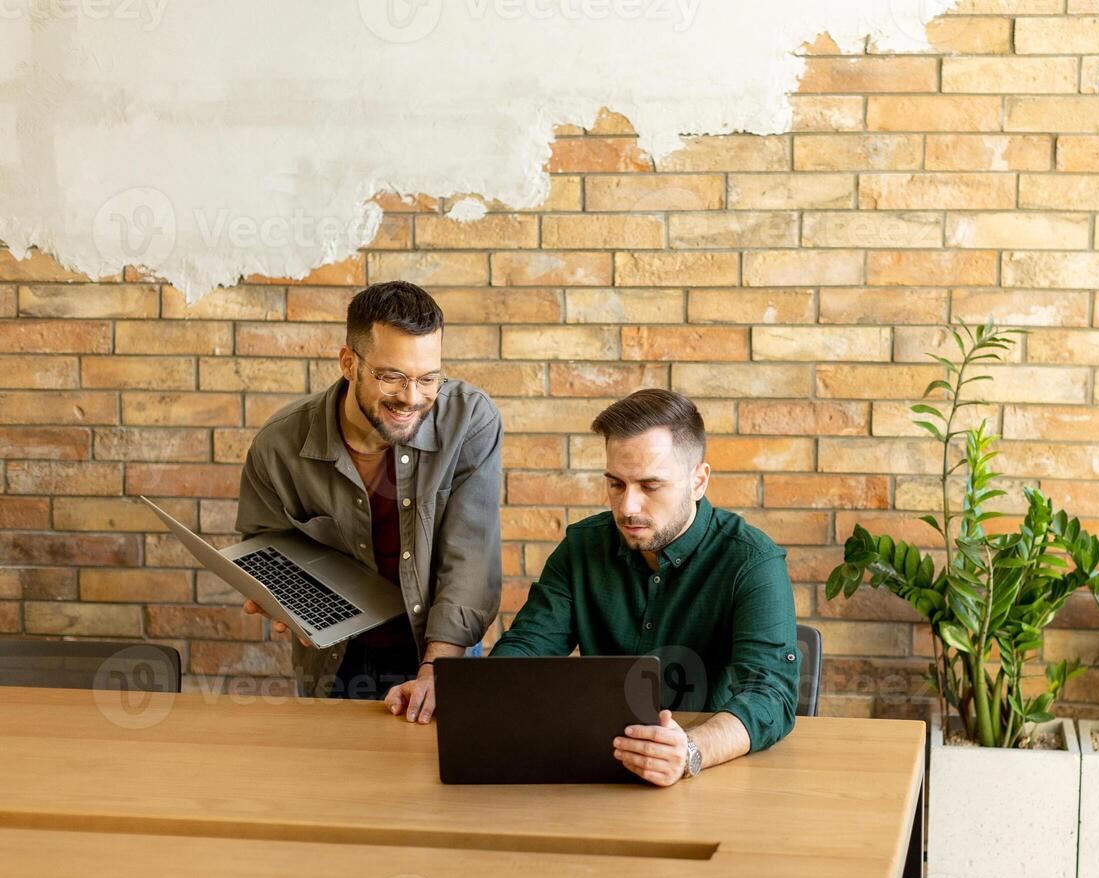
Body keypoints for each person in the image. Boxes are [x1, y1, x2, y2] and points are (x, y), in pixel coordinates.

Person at [459, 388, 799, 786]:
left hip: (712, 776)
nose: (627, 508)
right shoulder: (583, 547)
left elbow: (770, 695)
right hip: (599, 768)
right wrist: (477, 698)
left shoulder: (752, 562)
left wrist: (690, 750)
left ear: (698, 481)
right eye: (616, 485)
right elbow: (528, 648)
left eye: (650, 486)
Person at [235, 280, 502, 721]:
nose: (412, 398)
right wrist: (278, 594)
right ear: (348, 363)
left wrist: (439, 665)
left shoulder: (470, 420)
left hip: (440, 645)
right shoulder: (279, 444)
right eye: (392, 376)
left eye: (428, 378)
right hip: (334, 658)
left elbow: (470, 556)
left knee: (439, 780)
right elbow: (265, 543)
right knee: (333, 781)